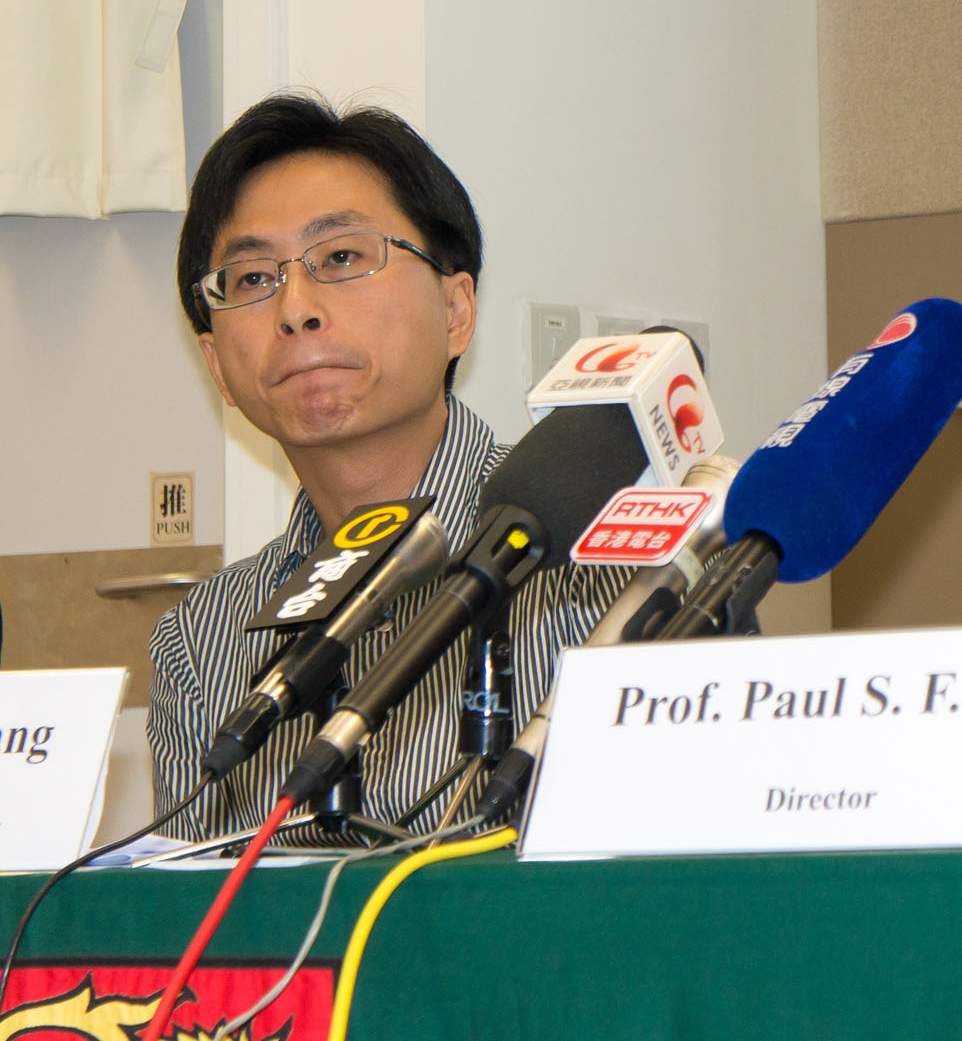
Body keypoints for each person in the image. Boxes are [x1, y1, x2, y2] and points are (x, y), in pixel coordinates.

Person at [147, 96, 624, 840]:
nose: (295, 310)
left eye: (341, 258)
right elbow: (198, 907)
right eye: (252, 279)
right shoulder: (204, 637)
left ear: (456, 309)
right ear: (216, 365)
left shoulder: (607, 560)